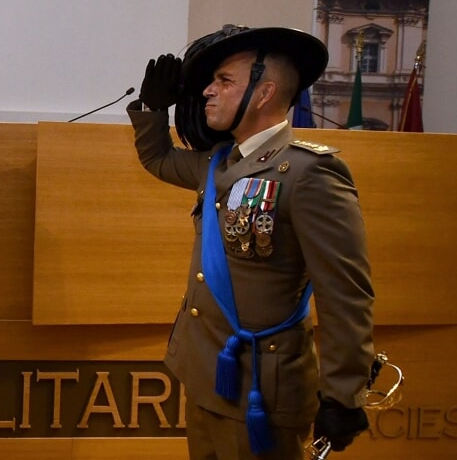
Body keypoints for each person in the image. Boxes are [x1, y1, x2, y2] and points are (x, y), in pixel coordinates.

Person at [128, 25, 374, 460]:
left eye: (224, 81)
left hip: (263, 387)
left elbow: (345, 296)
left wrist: (344, 394)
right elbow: (159, 158)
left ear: (264, 93)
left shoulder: (308, 173)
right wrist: (151, 107)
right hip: (206, 376)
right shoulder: (219, 163)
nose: (208, 91)